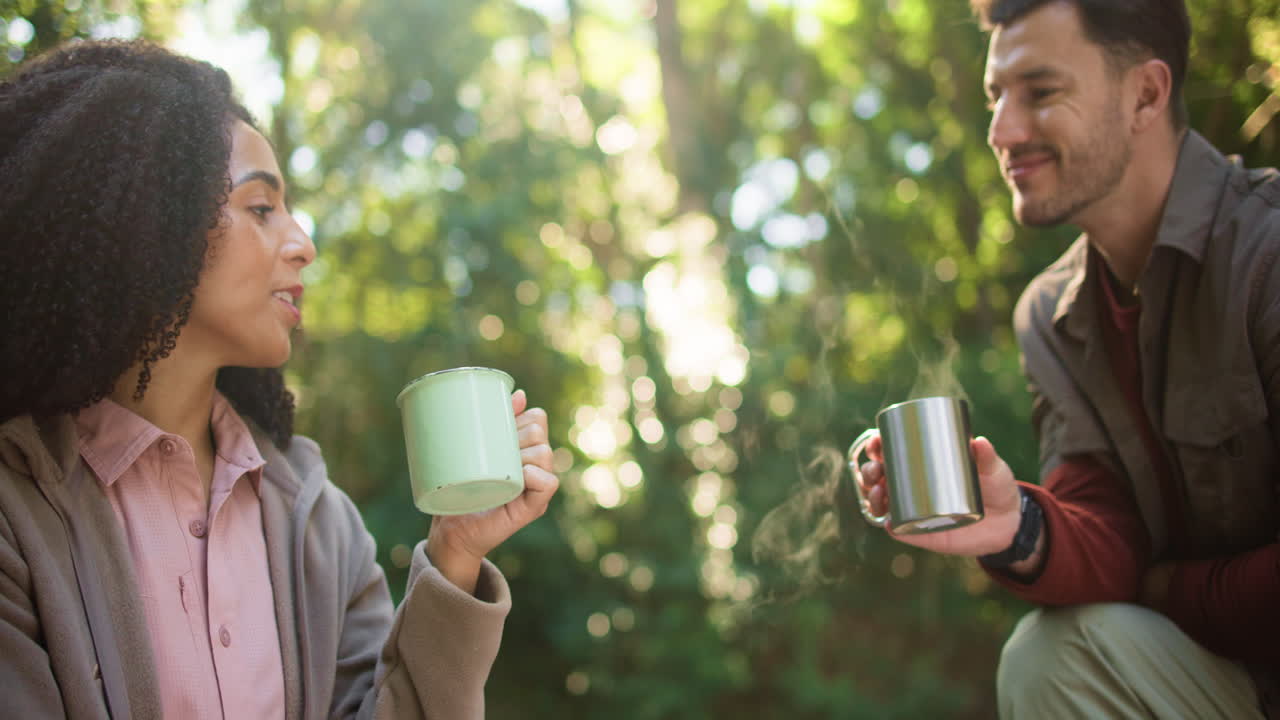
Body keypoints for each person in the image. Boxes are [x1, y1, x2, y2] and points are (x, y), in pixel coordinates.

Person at [0, 39, 559, 719]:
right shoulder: (17, 513)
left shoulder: (319, 523)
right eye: (261, 208)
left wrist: (456, 554)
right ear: (150, 220)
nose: (303, 243)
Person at [856, 0, 1278, 717]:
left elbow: (1136, 580)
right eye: (996, 98)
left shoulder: (1267, 253)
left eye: (1041, 93)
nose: (1002, 132)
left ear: (1144, 93)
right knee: (1049, 659)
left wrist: (1162, 589)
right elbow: (1107, 533)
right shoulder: (1050, 318)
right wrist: (1014, 523)